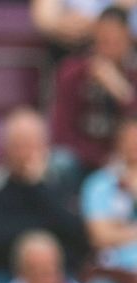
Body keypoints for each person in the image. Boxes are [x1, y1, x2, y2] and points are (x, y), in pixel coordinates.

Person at [0, 107, 89, 283]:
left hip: (58, 275)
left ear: (45, 146)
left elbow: (77, 239)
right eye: (18, 145)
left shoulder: (63, 183)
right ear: (5, 148)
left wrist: (38, 186)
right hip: (6, 274)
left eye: (31, 145)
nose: (24, 153)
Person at [52, 6, 137, 175]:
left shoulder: (133, 73)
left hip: (126, 158)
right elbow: (61, 131)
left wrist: (123, 93)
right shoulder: (73, 72)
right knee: (59, 162)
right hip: (82, 156)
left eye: (116, 42)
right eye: (104, 41)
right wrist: (99, 158)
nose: (109, 49)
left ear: (128, 40)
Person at [81, 116, 137, 283]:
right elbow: (100, 237)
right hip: (114, 273)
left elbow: (109, 232)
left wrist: (119, 229)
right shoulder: (98, 184)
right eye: (128, 140)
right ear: (117, 144)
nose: (133, 146)